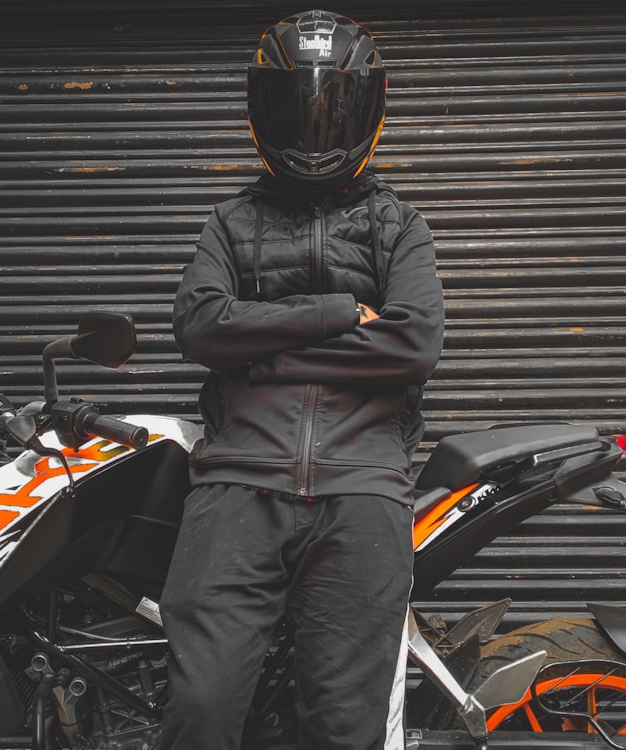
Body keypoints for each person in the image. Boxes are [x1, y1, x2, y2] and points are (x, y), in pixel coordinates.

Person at [161, 9, 445, 749]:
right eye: (295, 105)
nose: (315, 126)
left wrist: (259, 352)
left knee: (342, 729)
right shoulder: (229, 223)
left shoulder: (398, 224)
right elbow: (198, 327)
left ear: (368, 111)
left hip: (362, 493)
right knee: (201, 713)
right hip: (237, 489)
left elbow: (412, 344)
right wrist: (335, 313)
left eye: (333, 107)